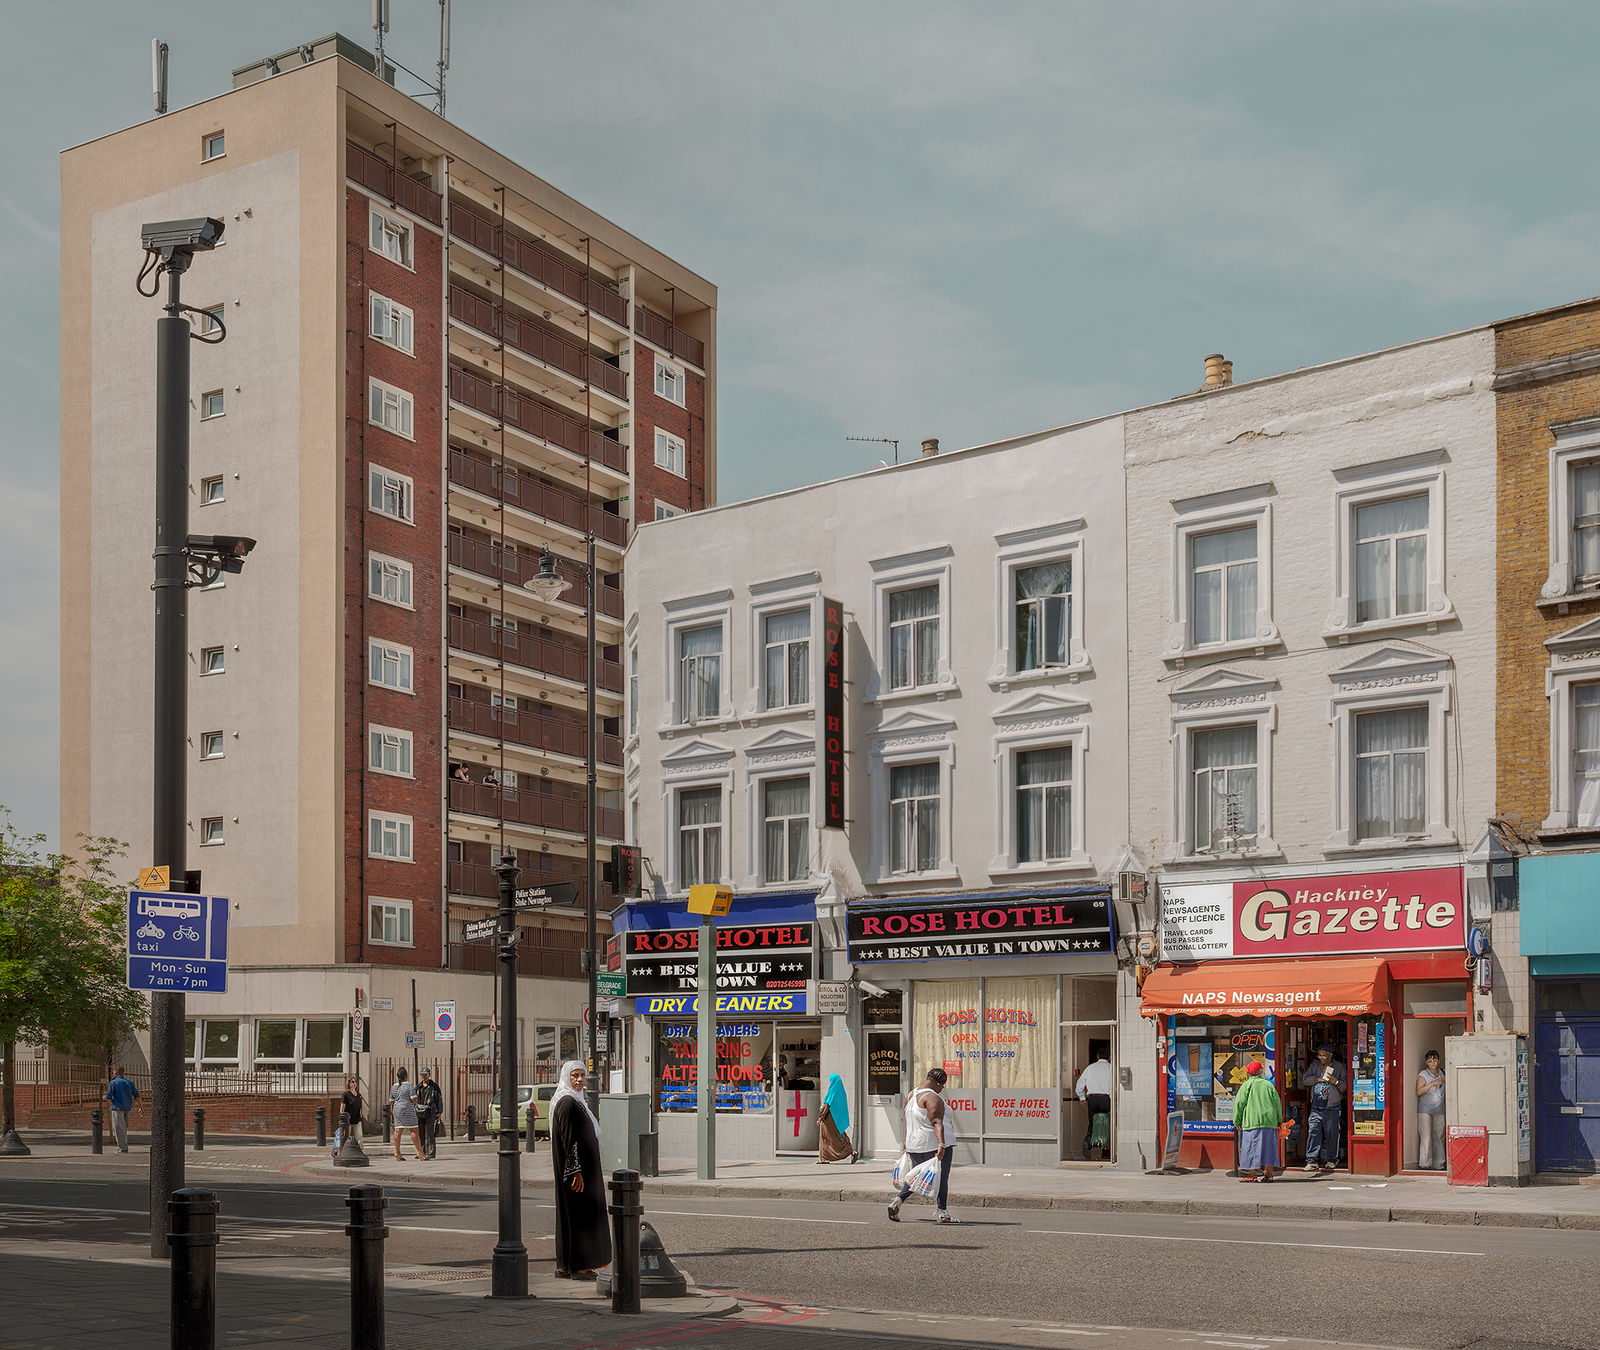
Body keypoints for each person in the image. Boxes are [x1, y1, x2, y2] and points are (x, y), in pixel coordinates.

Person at [550, 1060, 611, 1278]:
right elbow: (569, 1139)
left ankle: (565, 1266)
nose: (579, 1080)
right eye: (574, 1075)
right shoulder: (567, 1102)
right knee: (581, 1217)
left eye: (582, 1075)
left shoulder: (576, 1100)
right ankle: (581, 1267)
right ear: (566, 1077)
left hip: (580, 1171)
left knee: (571, 1217)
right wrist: (575, 1171)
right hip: (578, 1173)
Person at [888, 1066, 956, 1224]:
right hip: (933, 1144)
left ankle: (897, 1202)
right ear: (937, 1082)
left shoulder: (911, 1095)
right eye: (942, 1084)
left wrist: (906, 1141)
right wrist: (941, 1144)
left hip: (915, 1144)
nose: (942, 1088)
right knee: (941, 1178)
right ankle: (943, 1213)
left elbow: (908, 1121)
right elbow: (937, 1122)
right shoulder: (933, 1098)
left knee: (915, 1177)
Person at [1233, 1060, 1283, 1182]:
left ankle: (1252, 1174)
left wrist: (1237, 1121)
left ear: (1249, 1073)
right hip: (1269, 1121)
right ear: (1261, 1071)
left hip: (1252, 1122)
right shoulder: (1268, 1085)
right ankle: (1269, 1174)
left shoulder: (1246, 1085)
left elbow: (1239, 1104)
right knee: (1269, 1148)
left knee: (1251, 1148)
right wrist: (1279, 1120)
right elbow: (1277, 1103)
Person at [1299, 1042, 1346, 1171]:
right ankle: (1312, 1161)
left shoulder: (1339, 1067)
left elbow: (1345, 1087)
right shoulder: (1314, 1066)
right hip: (1316, 1106)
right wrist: (1317, 1079)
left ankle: (1331, 1160)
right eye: (1319, 1055)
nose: (1321, 1058)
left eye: (1324, 1055)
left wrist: (1336, 1081)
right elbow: (1305, 1080)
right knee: (1313, 1131)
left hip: (1332, 1107)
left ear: (1331, 1055)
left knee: (1332, 1134)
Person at [1074, 1049, 1113, 1159]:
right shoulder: (1111, 1068)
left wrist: (1082, 1097)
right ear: (1109, 1057)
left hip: (1093, 1099)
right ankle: (1106, 1152)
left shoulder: (1090, 1068)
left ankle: (1088, 1142)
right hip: (1106, 1099)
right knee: (1108, 1124)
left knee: (1092, 1123)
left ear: (1097, 1056)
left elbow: (1079, 1085)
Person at [1416, 1050, 1446, 1171]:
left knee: (1439, 1137)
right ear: (1426, 1063)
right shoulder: (1423, 1074)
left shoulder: (1444, 1073)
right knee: (1426, 1137)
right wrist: (1432, 1083)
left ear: (1438, 1060)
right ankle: (1425, 1164)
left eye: (1434, 1060)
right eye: (1429, 1061)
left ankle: (1439, 1164)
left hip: (1440, 1109)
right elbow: (1419, 1091)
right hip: (1425, 1110)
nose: (1432, 1063)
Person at [389, 1068, 426, 1162]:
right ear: (406, 1076)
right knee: (414, 1130)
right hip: (408, 1109)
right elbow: (414, 1098)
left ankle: (397, 1153)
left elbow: (391, 1101)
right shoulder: (409, 1085)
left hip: (397, 1109)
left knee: (398, 1130)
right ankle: (420, 1153)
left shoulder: (394, 1086)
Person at [818, 1072, 856, 1164]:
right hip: (838, 1120)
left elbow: (827, 1105)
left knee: (825, 1137)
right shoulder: (842, 1093)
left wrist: (820, 1118)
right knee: (839, 1137)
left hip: (829, 1119)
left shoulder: (833, 1091)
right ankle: (851, 1151)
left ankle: (824, 1158)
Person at [104, 1066, 139, 1153]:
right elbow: (137, 1095)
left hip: (117, 1108)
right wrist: (141, 1107)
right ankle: (124, 1146)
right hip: (127, 1108)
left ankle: (123, 1148)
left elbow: (108, 1096)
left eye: (113, 1072)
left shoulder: (113, 1082)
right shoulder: (129, 1083)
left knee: (118, 1129)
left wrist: (105, 1097)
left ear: (115, 1073)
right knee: (123, 1128)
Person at [416, 1069, 443, 1159]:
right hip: (420, 1113)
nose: (424, 1076)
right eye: (422, 1074)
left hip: (430, 1113)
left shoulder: (434, 1087)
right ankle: (422, 1152)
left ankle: (431, 1153)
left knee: (430, 1133)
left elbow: (439, 1100)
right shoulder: (418, 1086)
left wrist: (439, 1112)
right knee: (421, 1133)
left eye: (426, 1074)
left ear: (429, 1075)